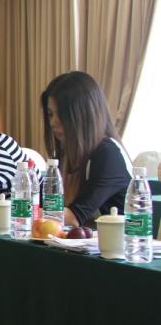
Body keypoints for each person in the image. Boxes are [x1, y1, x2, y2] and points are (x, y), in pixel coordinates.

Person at [42, 71, 131, 228]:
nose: (53, 122)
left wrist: (18, 212)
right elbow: (48, 206)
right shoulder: (67, 154)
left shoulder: (108, 154)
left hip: (119, 242)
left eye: (61, 114)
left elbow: (74, 216)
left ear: (84, 115)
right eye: (50, 114)